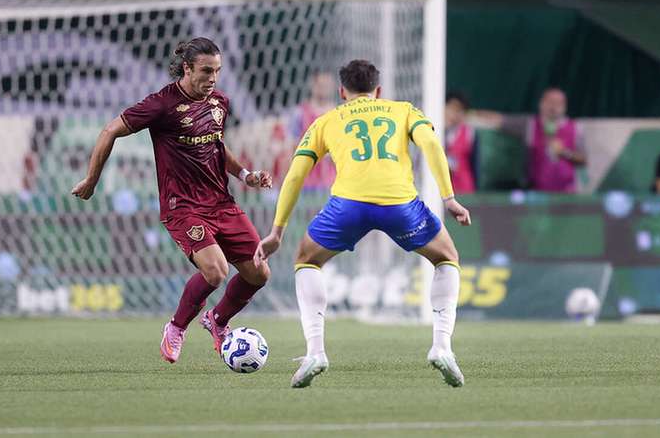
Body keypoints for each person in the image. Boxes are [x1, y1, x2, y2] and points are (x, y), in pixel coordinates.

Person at [254, 59, 472, 389]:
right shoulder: (403, 110)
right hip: (399, 205)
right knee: (446, 258)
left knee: (306, 260)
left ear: (342, 92)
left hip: (348, 206)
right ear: (378, 91)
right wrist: (448, 198)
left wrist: (277, 231)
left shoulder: (326, 120)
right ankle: (442, 347)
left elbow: (296, 173)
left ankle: (315, 352)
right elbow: (430, 144)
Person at [71, 37, 272, 363]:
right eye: (206, 71)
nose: (213, 78)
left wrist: (246, 175)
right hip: (184, 207)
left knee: (259, 274)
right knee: (216, 272)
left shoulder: (219, 102)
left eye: (217, 71)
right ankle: (177, 327)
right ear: (187, 68)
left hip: (221, 203)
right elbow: (109, 131)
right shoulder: (161, 104)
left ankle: (217, 320)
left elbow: (217, 146)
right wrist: (91, 180)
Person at [527, 88, 586, 192]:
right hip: (537, 192)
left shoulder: (575, 127)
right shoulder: (530, 125)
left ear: (564, 106)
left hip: (566, 192)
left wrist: (564, 152)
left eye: (558, 103)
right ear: (541, 103)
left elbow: (583, 160)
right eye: (550, 101)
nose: (553, 106)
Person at [290, 71, 338, 189]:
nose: (323, 89)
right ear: (313, 86)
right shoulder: (300, 113)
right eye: (320, 85)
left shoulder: (338, 114)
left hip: (331, 182)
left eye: (326, 86)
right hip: (306, 180)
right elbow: (292, 144)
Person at [444, 91, 477, 194]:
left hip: (463, 190)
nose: (454, 113)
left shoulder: (469, 133)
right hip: (441, 191)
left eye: (459, 110)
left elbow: (475, 165)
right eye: (451, 108)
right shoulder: (431, 129)